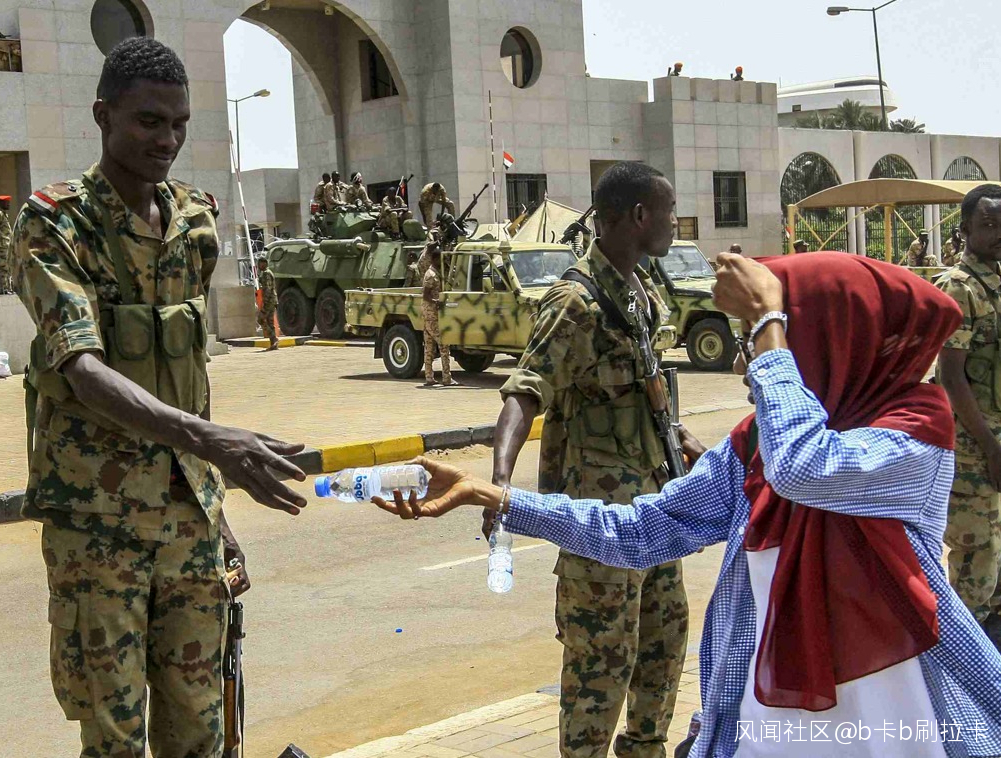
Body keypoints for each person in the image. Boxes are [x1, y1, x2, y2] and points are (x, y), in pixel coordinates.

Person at [375, 252, 1001, 758]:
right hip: (768, 729)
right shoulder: (756, 445)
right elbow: (642, 529)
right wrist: (496, 496)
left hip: (899, 729)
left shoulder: (916, 431)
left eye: (768, 340)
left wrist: (768, 325)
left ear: (832, 342)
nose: (747, 364)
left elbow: (804, 468)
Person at [11, 37, 308, 756]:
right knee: (115, 739)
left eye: (178, 124)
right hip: (98, 527)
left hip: (186, 520)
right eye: (149, 121)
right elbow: (81, 368)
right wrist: (212, 443)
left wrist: (213, 505)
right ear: (103, 116)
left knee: (202, 730)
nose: (167, 139)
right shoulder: (55, 223)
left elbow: (188, 378)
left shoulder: (195, 223)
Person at [488, 161, 688, 758]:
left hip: (655, 511)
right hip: (599, 524)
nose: (675, 224)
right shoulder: (576, 302)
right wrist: (500, 485)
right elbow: (525, 391)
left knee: (664, 646)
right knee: (600, 667)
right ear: (638, 216)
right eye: (670, 213)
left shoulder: (641, 293)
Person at [936, 184, 1001, 648]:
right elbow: (951, 376)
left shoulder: (997, 281)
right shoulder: (959, 288)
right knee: (976, 552)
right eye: (989, 225)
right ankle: (962, 656)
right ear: (964, 230)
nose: (998, 233)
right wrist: (991, 447)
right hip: (975, 447)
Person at [421, 243, 457, 387]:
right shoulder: (431, 275)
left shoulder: (437, 273)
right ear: (435, 259)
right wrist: (437, 302)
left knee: (429, 347)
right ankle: (446, 378)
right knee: (443, 344)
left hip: (433, 315)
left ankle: (429, 377)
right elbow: (425, 295)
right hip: (432, 315)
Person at [257, 255, 278, 349]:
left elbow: (267, 289)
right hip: (272, 300)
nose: (258, 266)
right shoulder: (267, 273)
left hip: (269, 301)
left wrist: (265, 303)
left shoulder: (266, 274)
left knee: (261, 319)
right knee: (270, 321)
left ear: (264, 263)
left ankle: (273, 339)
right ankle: (273, 342)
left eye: (260, 263)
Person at [0, 194, 12, 294]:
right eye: (6, 202)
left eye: (8, 202)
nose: (8, 204)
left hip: (6, 245)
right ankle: (4, 289)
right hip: (1, 246)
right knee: (3, 268)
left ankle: (8, 288)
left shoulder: (5, 215)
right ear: (1, 203)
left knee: (7, 268)